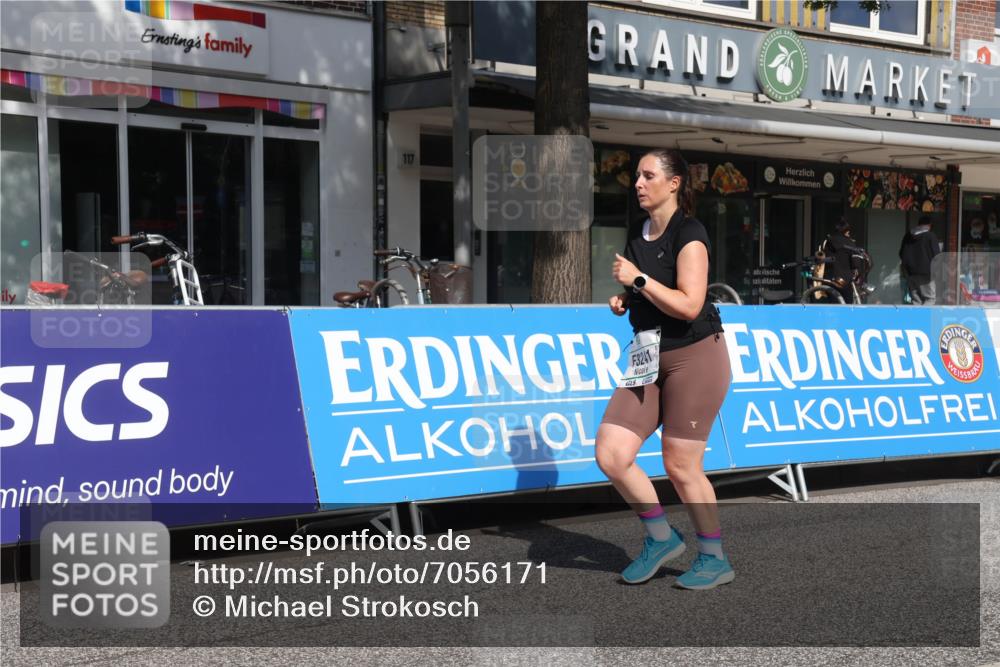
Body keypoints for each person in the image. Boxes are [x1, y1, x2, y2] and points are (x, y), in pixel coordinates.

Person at [597, 148, 733, 590]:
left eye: (648, 175)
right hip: (648, 355)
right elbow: (648, 293)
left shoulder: (689, 233)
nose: (638, 183)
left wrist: (638, 281)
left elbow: (691, 304)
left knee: (680, 464)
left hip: (695, 354)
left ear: (674, 183)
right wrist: (627, 300)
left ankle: (713, 557)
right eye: (636, 175)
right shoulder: (638, 231)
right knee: (612, 454)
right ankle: (660, 537)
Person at [819, 218, 865, 303]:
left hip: (830, 278)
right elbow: (855, 263)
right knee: (846, 305)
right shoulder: (850, 243)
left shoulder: (828, 241)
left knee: (833, 303)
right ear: (846, 231)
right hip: (846, 280)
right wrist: (858, 273)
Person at [898, 216, 941, 305]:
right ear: (929, 225)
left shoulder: (908, 236)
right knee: (930, 298)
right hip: (927, 274)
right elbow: (937, 256)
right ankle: (924, 318)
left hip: (910, 274)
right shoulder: (930, 236)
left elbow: (901, 253)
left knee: (915, 300)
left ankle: (916, 318)